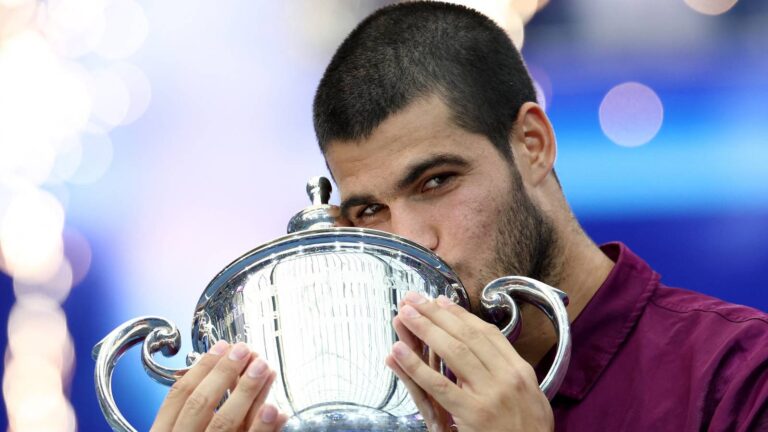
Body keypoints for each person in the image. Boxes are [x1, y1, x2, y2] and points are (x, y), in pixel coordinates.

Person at [151, 2, 768, 431]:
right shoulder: (360, 408)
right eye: (370, 210)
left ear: (532, 144)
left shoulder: (738, 376)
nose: (411, 240)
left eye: (436, 181)